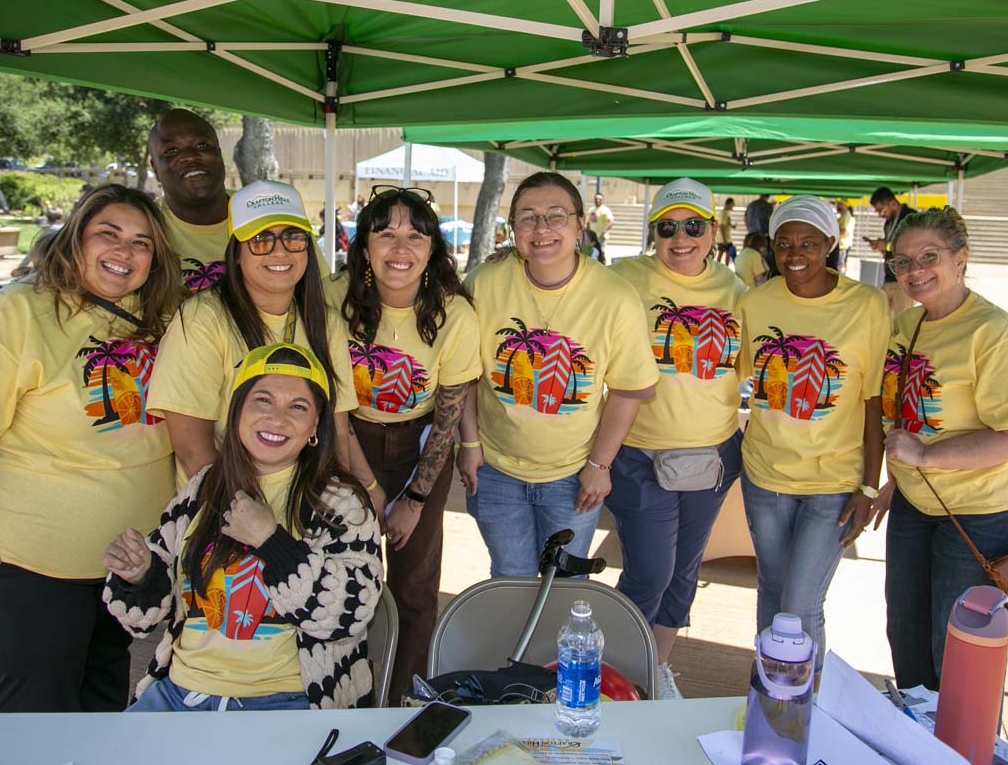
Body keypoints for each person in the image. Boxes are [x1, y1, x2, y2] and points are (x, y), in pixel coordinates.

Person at [0, 184, 184, 711]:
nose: (124, 251)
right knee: (37, 705)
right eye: (108, 234)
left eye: (141, 243)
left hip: (130, 560)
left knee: (103, 691)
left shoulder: (164, 317)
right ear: (75, 238)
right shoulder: (18, 310)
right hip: (30, 561)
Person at [103, 343, 383, 710]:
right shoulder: (203, 488)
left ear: (315, 425)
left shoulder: (341, 503)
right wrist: (139, 575)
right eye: (263, 401)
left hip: (288, 700)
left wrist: (271, 543)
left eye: (297, 407)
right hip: (179, 693)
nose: (277, 419)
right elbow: (151, 612)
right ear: (237, 412)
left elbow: (352, 612)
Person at [872, 208, 1008, 691]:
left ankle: (962, 737)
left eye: (929, 256)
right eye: (902, 261)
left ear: (960, 258)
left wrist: (926, 458)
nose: (914, 270)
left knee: (960, 654)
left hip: (982, 515)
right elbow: (907, 414)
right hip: (916, 504)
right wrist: (896, 480)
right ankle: (918, 730)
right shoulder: (909, 323)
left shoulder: (995, 333)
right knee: (906, 636)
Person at [459, 172, 659, 577]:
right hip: (495, 470)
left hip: (573, 473)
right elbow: (463, 375)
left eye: (556, 215)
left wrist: (600, 466)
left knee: (566, 583)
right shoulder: (484, 283)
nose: (542, 228)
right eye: (527, 217)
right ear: (512, 228)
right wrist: (469, 443)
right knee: (509, 579)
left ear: (580, 224)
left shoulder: (615, 297)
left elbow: (628, 389)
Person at [327, 185, 480, 702]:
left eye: (415, 236)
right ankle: (345, 692)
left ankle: (401, 700)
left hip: (420, 447)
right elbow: (333, 407)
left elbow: (449, 413)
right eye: (385, 233)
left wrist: (414, 499)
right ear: (364, 245)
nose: (400, 248)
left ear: (433, 249)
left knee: (414, 586)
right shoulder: (332, 298)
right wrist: (367, 486)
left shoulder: (455, 314)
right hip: (346, 441)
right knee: (345, 576)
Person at [606, 178, 745, 700]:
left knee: (684, 572)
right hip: (640, 454)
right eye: (667, 228)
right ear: (653, 233)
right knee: (649, 573)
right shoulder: (622, 278)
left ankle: (655, 672)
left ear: (713, 230)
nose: (680, 238)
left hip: (713, 454)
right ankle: (615, 678)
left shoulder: (737, 291)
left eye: (692, 226)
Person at [737, 195, 890, 669]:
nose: (795, 253)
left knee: (800, 604)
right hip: (765, 477)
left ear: (830, 242)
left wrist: (870, 485)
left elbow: (873, 401)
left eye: (808, 242)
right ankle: (768, 695)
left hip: (833, 484)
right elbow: (736, 375)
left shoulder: (867, 304)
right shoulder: (755, 302)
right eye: (784, 243)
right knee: (772, 591)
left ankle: (802, 704)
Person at [147, 180, 368, 497]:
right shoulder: (202, 319)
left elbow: (337, 431)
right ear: (236, 253)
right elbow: (192, 449)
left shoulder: (326, 322)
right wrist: (245, 515)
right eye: (261, 240)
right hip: (223, 504)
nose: (280, 251)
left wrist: (335, 503)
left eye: (293, 237)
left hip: (303, 505)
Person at [147, 108, 329, 293]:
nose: (190, 156)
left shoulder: (270, 211)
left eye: (202, 145)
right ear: (155, 168)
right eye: (171, 150)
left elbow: (322, 293)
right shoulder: (144, 227)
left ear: (219, 154)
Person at [867, 187, 916, 315]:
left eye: (881, 210)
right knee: (879, 318)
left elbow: (914, 247)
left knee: (901, 321)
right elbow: (891, 247)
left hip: (904, 281)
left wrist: (887, 246)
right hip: (889, 277)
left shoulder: (911, 218)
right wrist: (882, 248)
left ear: (893, 203)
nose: (880, 215)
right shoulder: (888, 223)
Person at [832, 199, 855, 273]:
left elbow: (845, 232)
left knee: (838, 268)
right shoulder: (845, 215)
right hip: (842, 246)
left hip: (842, 247)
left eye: (840, 204)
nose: (837, 206)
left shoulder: (846, 215)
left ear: (846, 205)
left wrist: (832, 232)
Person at [715, 197, 735, 264]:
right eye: (732, 204)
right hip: (724, 238)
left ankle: (725, 266)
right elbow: (721, 226)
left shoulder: (727, 212)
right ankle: (719, 267)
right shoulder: (723, 213)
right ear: (729, 204)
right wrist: (724, 239)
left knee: (726, 253)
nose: (733, 206)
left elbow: (726, 223)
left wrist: (732, 226)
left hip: (726, 238)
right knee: (723, 253)